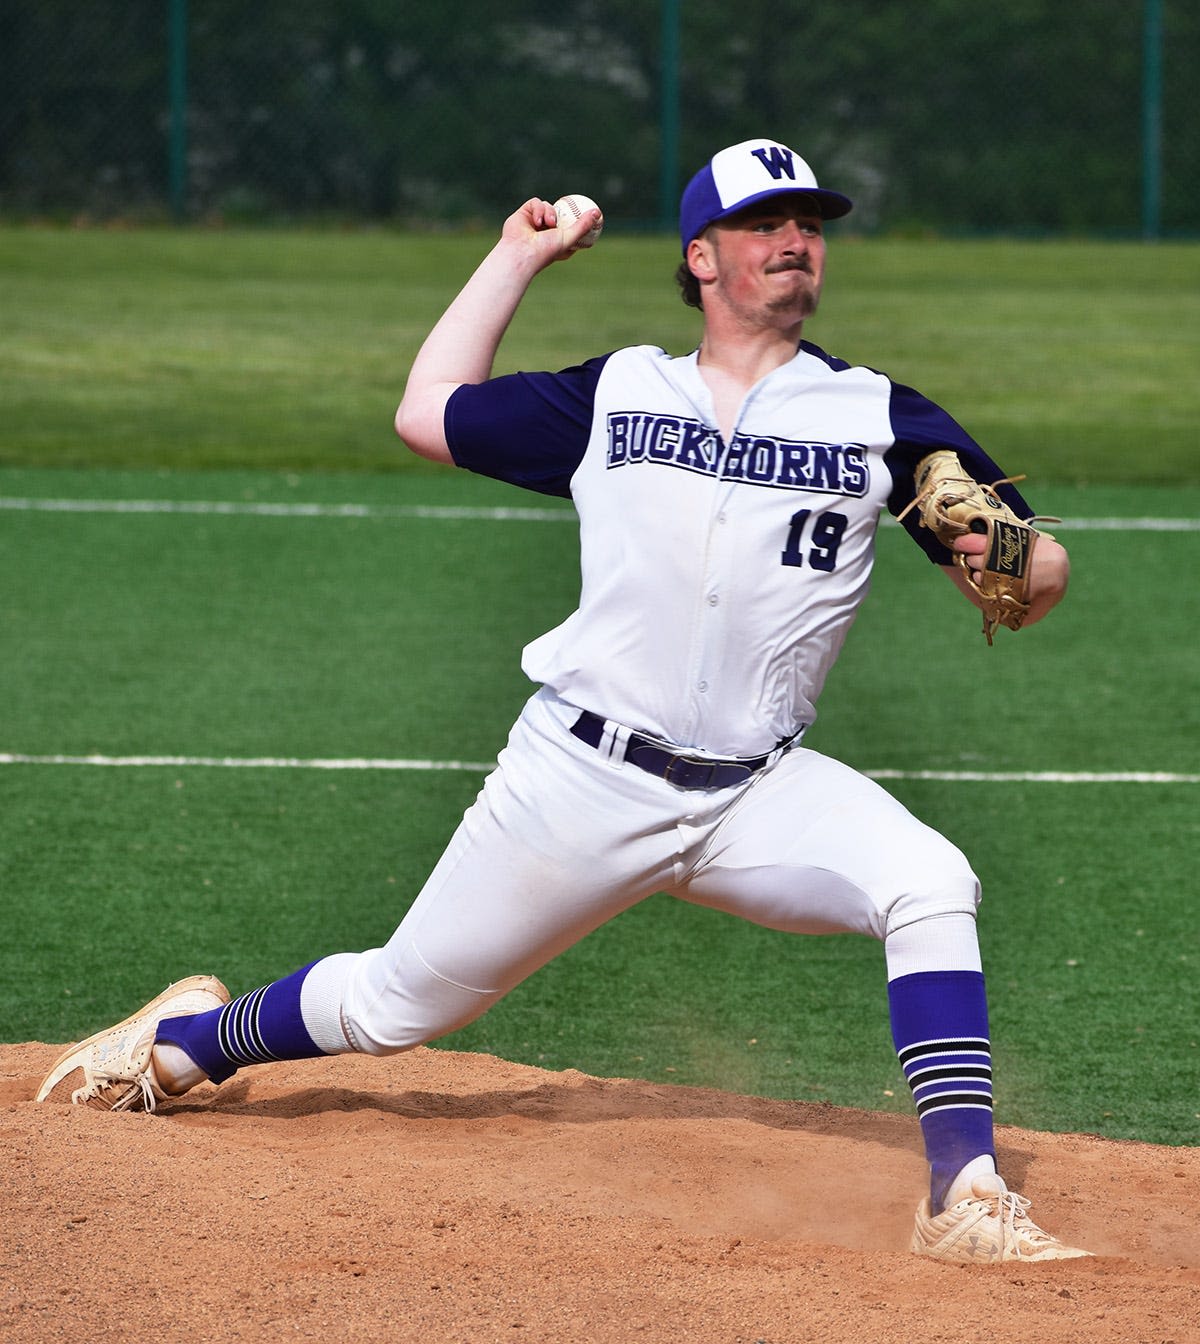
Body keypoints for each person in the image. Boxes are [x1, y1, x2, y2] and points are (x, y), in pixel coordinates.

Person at [37, 138, 1086, 1263]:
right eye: (763, 225)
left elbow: (1036, 568)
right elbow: (427, 412)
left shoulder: (878, 418)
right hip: (578, 779)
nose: (794, 243)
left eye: (810, 226)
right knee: (399, 1008)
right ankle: (182, 1047)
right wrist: (515, 259)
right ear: (701, 257)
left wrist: (1018, 561)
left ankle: (962, 1196)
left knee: (930, 881)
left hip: (758, 792)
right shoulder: (618, 390)